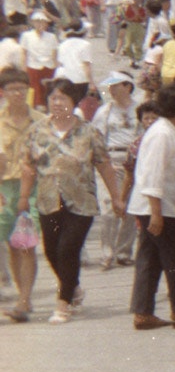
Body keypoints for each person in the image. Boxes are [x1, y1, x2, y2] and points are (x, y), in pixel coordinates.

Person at [20, 79, 124, 323]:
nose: (57, 103)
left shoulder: (88, 131)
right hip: (48, 199)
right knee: (51, 251)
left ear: (73, 102)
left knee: (68, 249)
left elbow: (104, 165)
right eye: (53, 98)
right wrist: (24, 197)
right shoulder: (37, 130)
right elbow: (28, 165)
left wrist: (116, 197)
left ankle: (62, 303)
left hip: (81, 202)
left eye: (62, 98)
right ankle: (73, 287)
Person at [127, 85, 175, 330]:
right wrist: (156, 213)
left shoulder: (171, 130)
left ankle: (143, 312)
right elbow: (152, 174)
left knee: (149, 259)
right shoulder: (161, 133)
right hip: (156, 206)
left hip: (158, 205)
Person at [0, 69, 45, 322]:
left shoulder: (41, 121)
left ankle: (25, 300)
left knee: (26, 244)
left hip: (33, 188)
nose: (17, 93)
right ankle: (21, 295)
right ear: (3, 92)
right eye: (12, 89)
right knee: (11, 244)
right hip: (4, 188)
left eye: (21, 88)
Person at [92, 71, 140, 269]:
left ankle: (124, 251)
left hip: (133, 160)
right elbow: (97, 137)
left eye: (116, 86)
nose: (111, 90)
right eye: (110, 87)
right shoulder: (104, 111)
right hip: (111, 160)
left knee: (130, 208)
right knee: (109, 208)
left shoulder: (139, 109)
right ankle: (107, 252)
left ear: (127, 86)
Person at [20, 12, 58, 108]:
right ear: (33, 23)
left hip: (48, 66)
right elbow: (24, 53)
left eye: (42, 22)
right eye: (37, 21)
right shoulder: (26, 36)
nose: (40, 24)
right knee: (34, 90)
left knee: (48, 90)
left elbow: (54, 54)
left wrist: (57, 69)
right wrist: (23, 69)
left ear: (46, 23)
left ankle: (48, 107)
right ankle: (34, 108)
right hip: (33, 66)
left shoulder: (52, 37)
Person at [54, 19, 96, 103]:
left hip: (65, 78)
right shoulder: (85, 45)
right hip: (80, 79)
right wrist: (91, 83)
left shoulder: (62, 45)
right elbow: (86, 65)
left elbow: (59, 63)